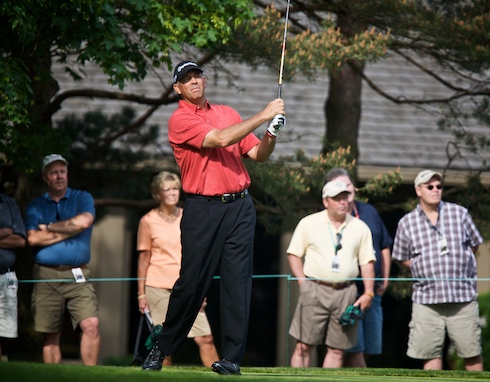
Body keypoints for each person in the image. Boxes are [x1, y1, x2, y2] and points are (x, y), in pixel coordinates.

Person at [141, 60, 285, 375]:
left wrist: (271, 133)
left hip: (240, 207)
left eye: (197, 76)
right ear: (177, 88)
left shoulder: (228, 113)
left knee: (237, 284)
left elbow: (257, 155)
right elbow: (219, 139)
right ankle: (162, 348)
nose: (194, 81)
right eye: (186, 79)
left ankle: (232, 358)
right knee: (191, 284)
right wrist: (263, 114)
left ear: (204, 80)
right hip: (202, 209)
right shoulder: (179, 119)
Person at [392, 169, 484, 371]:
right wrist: (420, 267)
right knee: (430, 355)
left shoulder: (459, 213)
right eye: (430, 187)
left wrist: (461, 261)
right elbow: (401, 257)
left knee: (472, 353)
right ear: (418, 190)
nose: (436, 190)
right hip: (426, 299)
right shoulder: (407, 223)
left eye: (439, 186)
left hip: (462, 297)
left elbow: (475, 244)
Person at [287, 180, 376, 368]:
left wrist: (368, 292)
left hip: (346, 292)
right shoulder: (308, 223)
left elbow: (367, 262)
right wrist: (303, 283)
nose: (342, 202)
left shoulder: (360, 227)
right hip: (314, 288)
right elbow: (294, 254)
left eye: (345, 197)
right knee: (304, 346)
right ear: (326, 201)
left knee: (337, 349)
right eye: (337, 198)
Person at [136, 171, 219, 367]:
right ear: (157, 194)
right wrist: (141, 294)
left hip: (187, 285)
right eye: (167, 189)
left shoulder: (188, 216)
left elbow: (200, 256)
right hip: (157, 286)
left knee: (205, 338)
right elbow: (143, 259)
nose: (173, 193)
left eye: (175, 188)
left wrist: (201, 289)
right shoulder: (147, 221)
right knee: (162, 341)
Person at [25, 154, 99, 365]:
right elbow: (32, 239)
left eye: (62, 171)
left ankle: (91, 377)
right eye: (53, 172)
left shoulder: (82, 197)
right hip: (45, 273)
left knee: (91, 324)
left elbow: (84, 222)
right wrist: (70, 229)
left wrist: (48, 227)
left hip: (78, 272)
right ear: (45, 177)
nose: (59, 176)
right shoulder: (36, 206)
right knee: (50, 334)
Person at [325, 168, 392, 367]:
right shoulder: (327, 218)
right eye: (340, 186)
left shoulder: (369, 211)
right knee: (354, 349)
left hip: (373, 291)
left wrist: (385, 278)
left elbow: (384, 245)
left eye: (348, 184)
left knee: (369, 348)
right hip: (348, 291)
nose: (347, 189)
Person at [0, 165, 27, 359]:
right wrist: (4, 232)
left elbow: (20, 240)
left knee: (3, 334)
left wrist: (9, 234)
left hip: (6, 276)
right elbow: (10, 233)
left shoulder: (9, 203)